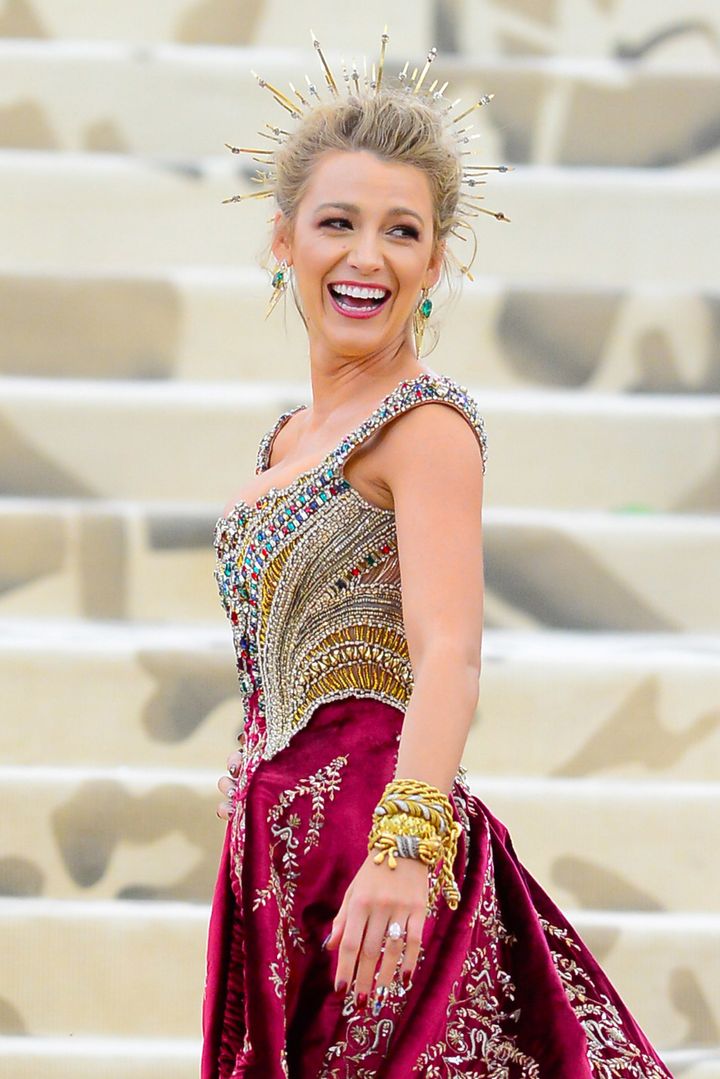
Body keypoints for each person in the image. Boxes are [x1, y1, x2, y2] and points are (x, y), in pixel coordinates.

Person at [201, 28, 674, 1079]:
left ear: (435, 260)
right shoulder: (287, 440)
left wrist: (407, 848)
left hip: (380, 847)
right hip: (276, 851)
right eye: (339, 222)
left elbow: (450, 652)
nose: (367, 256)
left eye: (402, 231)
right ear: (286, 240)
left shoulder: (427, 428)